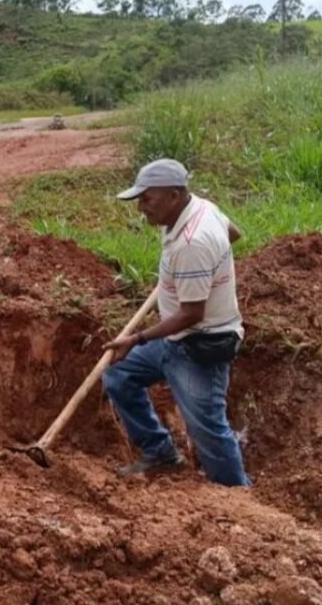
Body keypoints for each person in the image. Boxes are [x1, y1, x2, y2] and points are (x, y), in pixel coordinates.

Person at [100, 158, 251, 487]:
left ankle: (237, 496)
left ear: (174, 194)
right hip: (176, 339)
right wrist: (199, 273)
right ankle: (161, 452)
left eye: (147, 199)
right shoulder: (200, 208)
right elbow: (234, 233)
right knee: (119, 374)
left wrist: (136, 338)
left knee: (208, 432)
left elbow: (192, 313)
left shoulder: (192, 243)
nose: (141, 208)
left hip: (200, 346)